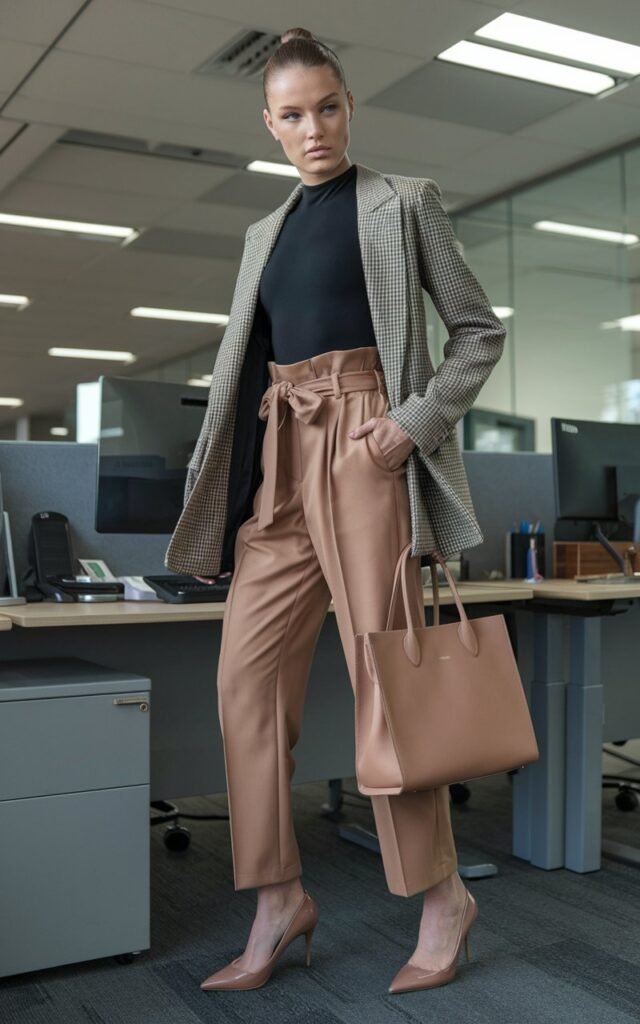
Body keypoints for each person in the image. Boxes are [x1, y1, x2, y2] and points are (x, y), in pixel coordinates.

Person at [166, 25, 507, 996]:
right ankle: (278, 896)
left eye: (327, 105)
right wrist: (221, 510)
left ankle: (442, 895)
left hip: (367, 438)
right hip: (282, 447)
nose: (312, 126)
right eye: (292, 113)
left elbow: (477, 332)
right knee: (243, 679)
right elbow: (240, 378)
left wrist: (409, 424)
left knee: (385, 683)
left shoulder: (404, 204)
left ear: (347, 106)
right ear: (267, 124)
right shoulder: (260, 236)